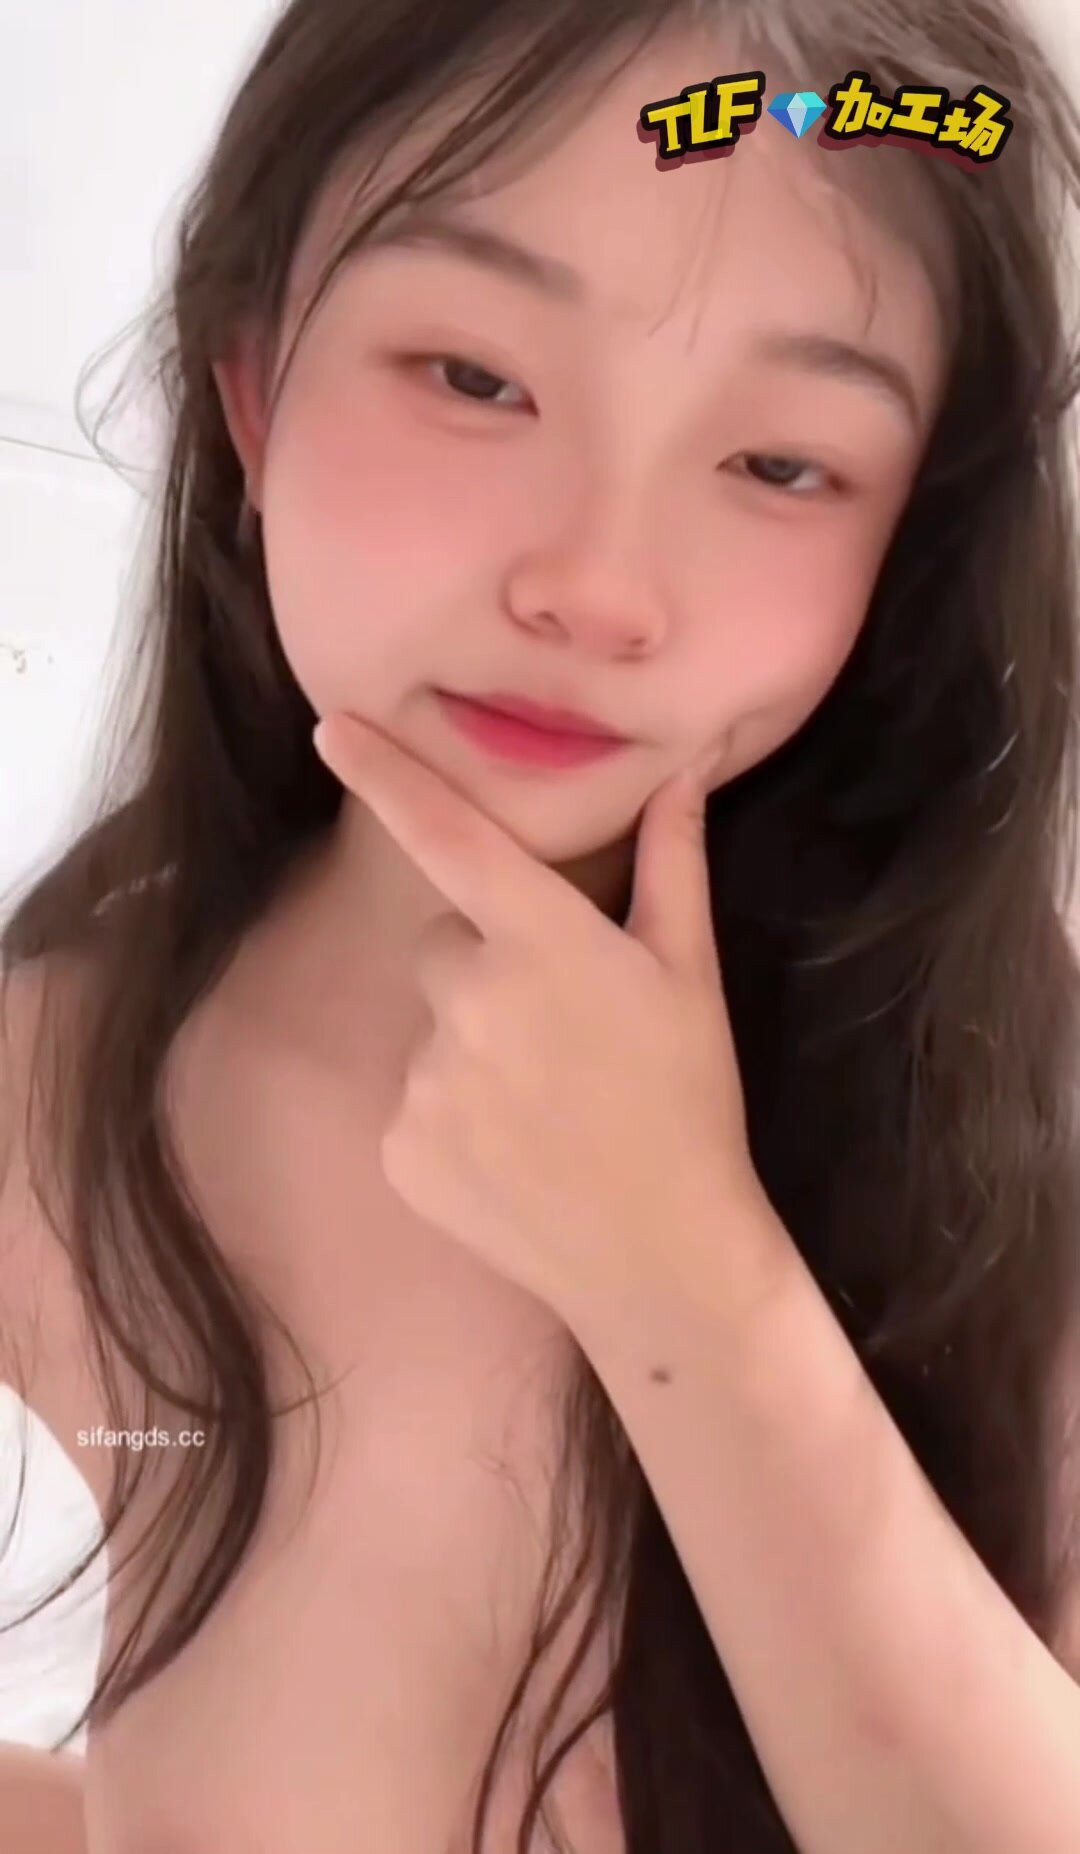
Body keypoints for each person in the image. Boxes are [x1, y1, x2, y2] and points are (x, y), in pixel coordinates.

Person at [3, 0, 1080, 1849]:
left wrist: (689, 1279)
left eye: (783, 463)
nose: (597, 583)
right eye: (475, 378)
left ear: (907, 546)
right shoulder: (60, 1089)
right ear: (253, 388)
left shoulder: (1009, 1120)